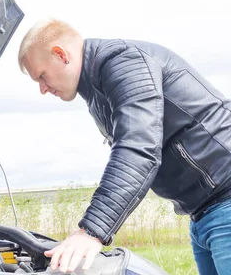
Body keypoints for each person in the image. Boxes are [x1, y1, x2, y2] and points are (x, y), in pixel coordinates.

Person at [17, 18, 231, 274]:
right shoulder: (97, 93)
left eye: (41, 75)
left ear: (61, 55)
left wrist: (92, 231)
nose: (42, 88)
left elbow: (138, 148)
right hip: (203, 214)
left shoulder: (124, 63)